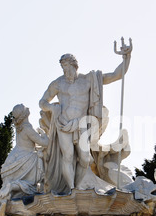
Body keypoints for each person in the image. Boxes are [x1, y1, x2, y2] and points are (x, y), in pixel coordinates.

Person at [39, 48, 132, 193]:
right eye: (62, 68)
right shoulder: (58, 83)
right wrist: (51, 108)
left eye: (67, 67)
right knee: (68, 155)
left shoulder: (89, 80)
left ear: (74, 65)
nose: (65, 71)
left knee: (85, 157)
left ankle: (79, 183)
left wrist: (127, 57)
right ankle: (71, 189)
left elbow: (116, 75)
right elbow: (42, 102)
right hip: (63, 123)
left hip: (82, 124)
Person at [0, 104, 49, 216]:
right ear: (25, 114)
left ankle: (4, 198)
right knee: (30, 184)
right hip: (25, 158)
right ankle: (11, 188)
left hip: (13, 157)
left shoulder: (19, 127)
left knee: (13, 182)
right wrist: (44, 134)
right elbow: (45, 143)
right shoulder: (27, 128)